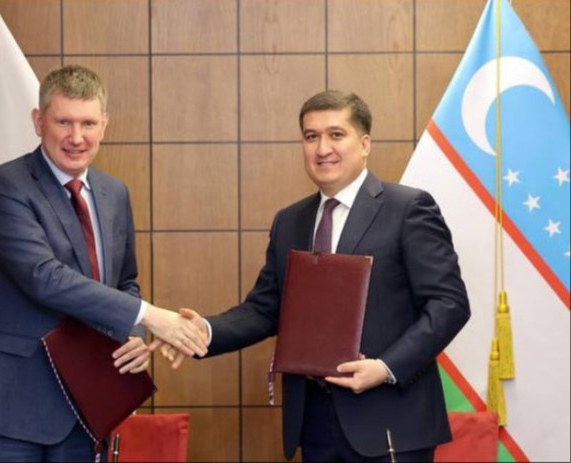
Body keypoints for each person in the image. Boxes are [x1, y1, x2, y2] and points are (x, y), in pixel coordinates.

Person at [165, 90, 471, 462]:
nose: (322, 148)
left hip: (389, 423)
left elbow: (449, 304)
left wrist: (385, 368)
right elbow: (264, 309)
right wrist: (204, 331)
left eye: (336, 134)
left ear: (364, 144)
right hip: (315, 426)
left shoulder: (407, 208)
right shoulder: (290, 221)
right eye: (311, 137)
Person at [0, 65, 207, 462]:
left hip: (84, 409)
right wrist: (153, 316)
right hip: (7, 412)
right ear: (38, 122)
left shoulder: (113, 193)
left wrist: (132, 334)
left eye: (88, 123)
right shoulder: (4, 187)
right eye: (63, 122)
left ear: (104, 124)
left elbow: (124, 281)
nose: (76, 137)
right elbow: (45, 278)